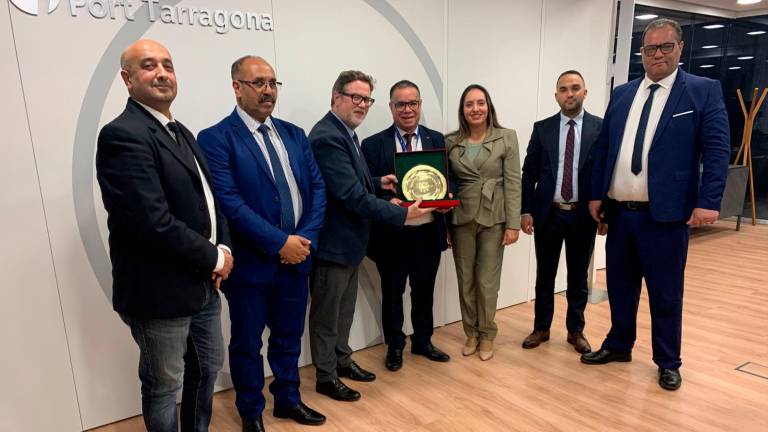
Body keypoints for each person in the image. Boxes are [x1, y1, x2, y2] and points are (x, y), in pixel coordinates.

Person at [582, 18, 730, 391]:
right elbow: (605, 149)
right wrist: (598, 194)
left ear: (680, 48)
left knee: (665, 293)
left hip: (665, 216)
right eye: (650, 49)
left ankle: (668, 360)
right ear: (642, 54)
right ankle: (618, 345)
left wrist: (709, 201)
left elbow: (716, 151)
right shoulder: (623, 94)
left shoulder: (702, 91)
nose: (658, 54)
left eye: (665, 47)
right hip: (620, 213)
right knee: (620, 287)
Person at [95, 39, 233, 432]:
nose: (161, 73)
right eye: (148, 65)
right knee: (163, 385)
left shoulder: (181, 131)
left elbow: (210, 200)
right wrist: (216, 258)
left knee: (207, 368)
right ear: (127, 78)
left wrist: (223, 246)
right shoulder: (122, 135)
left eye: (168, 65)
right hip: (159, 290)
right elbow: (151, 222)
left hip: (203, 283)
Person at [197, 56, 327, 432]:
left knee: (288, 338)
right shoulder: (216, 138)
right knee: (247, 345)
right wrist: (279, 242)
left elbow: (317, 189)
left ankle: (288, 400)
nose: (268, 90)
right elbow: (230, 203)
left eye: (273, 82)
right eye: (258, 83)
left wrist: (304, 241)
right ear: (237, 87)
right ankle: (251, 411)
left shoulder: (295, 134)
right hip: (252, 266)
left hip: (297, 259)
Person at [308, 71, 434, 402]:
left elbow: (357, 185)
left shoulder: (346, 133)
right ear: (336, 97)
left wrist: (380, 182)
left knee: (343, 312)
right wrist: (402, 213)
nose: (362, 104)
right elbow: (350, 196)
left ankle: (342, 361)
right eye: (355, 97)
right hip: (334, 245)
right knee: (327, 316)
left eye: (367, 99)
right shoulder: (327, 137)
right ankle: (326, 376)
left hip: (350, 245)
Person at [361, 80, 451, 372]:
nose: (408, 110)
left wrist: (448, 194)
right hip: (394, 234)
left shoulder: (437, 139)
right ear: (391, 108)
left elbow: (451, 179)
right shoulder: (372, 144)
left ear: (420, 105)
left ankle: (423, 342)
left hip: (428, 230)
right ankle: (395, 346)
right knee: (393, 293)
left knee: (424, 290)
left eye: (413, 103)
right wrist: (393, 202)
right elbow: (368, 189)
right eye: (401, 104)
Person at [520, 70, 603, 354]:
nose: (570, 94)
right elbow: (528, 172)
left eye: (575, 88)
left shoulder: (599, 128)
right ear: (556, 96)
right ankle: (541, 327)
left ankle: (575, 330)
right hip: (548, 215)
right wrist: (526, 210)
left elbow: (605, 174)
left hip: (583, 216)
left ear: (585, 92)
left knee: (578, 277)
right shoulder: (542, 128)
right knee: (545, 275)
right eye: (564, 89)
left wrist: (605, 212)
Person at [447, 84, 522, 361]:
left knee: (487, 281)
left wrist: (513, 223)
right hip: (461, 217)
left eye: (480, 103)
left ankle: (487, 333)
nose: (475, 109)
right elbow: (446, 184)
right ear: (462, 110)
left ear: (488, 106)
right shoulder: (451, 141)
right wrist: (444, 225)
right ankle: (471, 332)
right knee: (465, 278)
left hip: (495, 216)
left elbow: (514, 182)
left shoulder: (506, 137)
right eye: (469, 104)